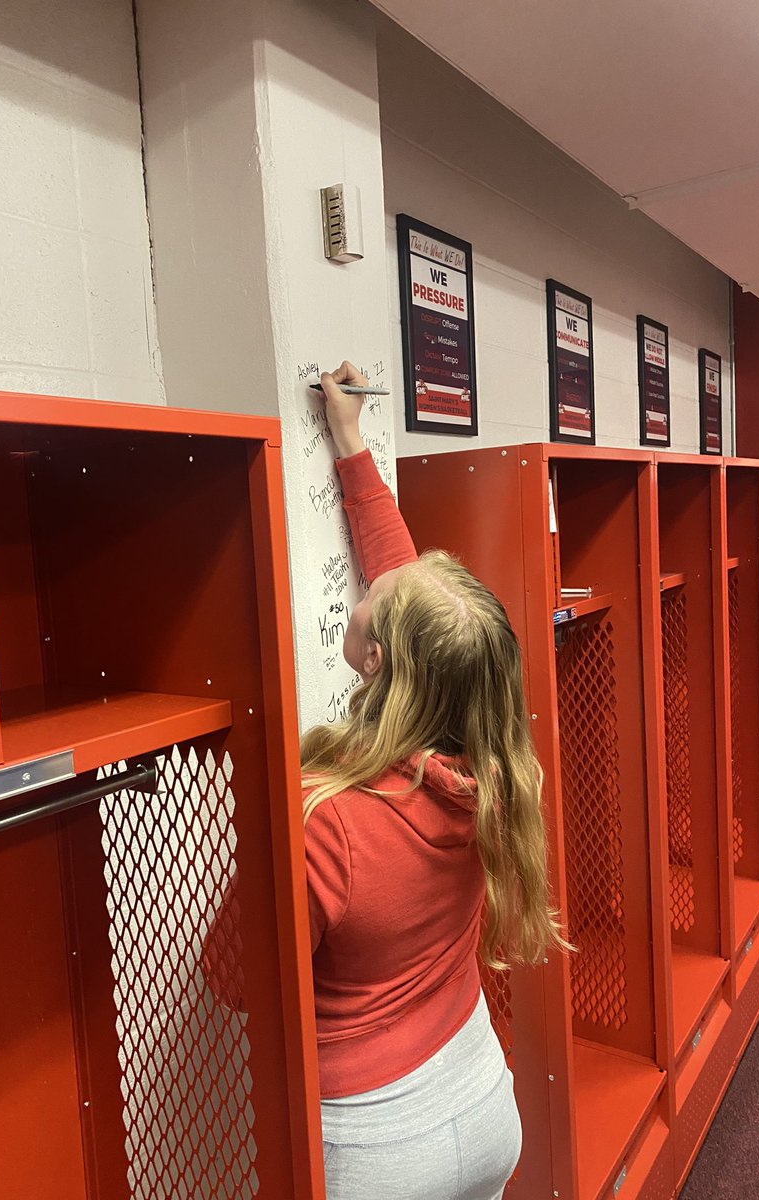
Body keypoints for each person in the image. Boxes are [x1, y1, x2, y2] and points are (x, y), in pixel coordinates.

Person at [301, 361, 568, 1200]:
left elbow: (234, 977)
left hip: (375, 1148)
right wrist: (349, 439)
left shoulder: (330, 818)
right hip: (480, 1096)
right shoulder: (488, 772)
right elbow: (408, 585)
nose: (379, 581)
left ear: (379, 661)